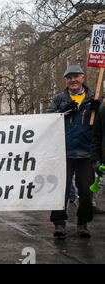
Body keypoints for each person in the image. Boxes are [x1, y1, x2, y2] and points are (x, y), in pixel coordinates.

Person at [47, 65, 101, 239]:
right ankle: (59, 223)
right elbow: (47, 119)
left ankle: (82, 223)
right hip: (63, 152)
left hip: (86, 153)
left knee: (86, 191)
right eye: (69, 77)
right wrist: (61, 112)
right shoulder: (59, 99)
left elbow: (101, 127)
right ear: (65, 80)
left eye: (76, 76)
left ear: (83, 78)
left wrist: (100, 110)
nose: (73, 80)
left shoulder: (95, 97)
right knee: (60, 191)